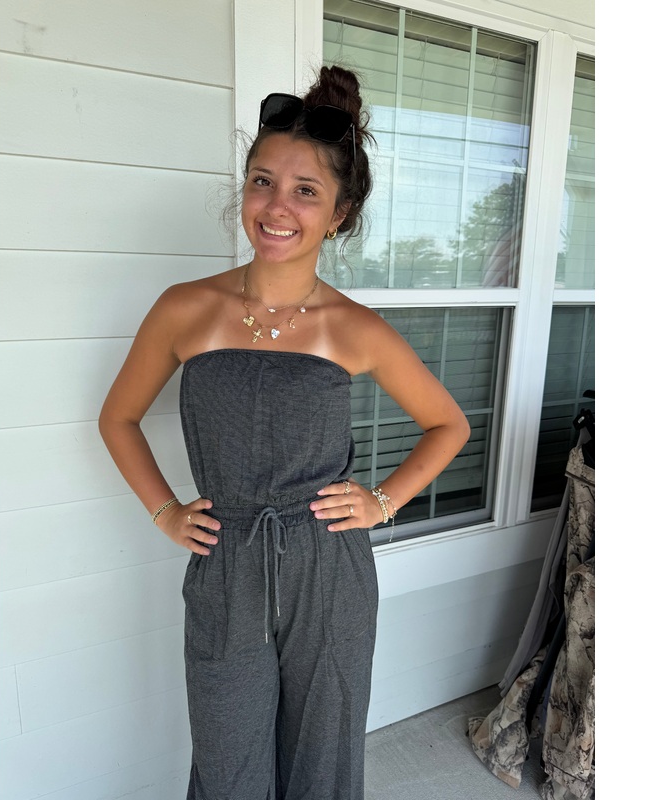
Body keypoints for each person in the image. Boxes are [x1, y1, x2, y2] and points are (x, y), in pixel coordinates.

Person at [99, 65, 470, 800]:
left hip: (328, 567)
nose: (277, 206)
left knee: (322, 760)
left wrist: (383, 501)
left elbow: (447, 423)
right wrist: (164, 510)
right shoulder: (184, 309)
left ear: (338, 213)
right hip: (227, 560)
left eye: (306, 191)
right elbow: (118, 417)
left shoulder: (355, 328)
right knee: (228, 764)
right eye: (262, 182)